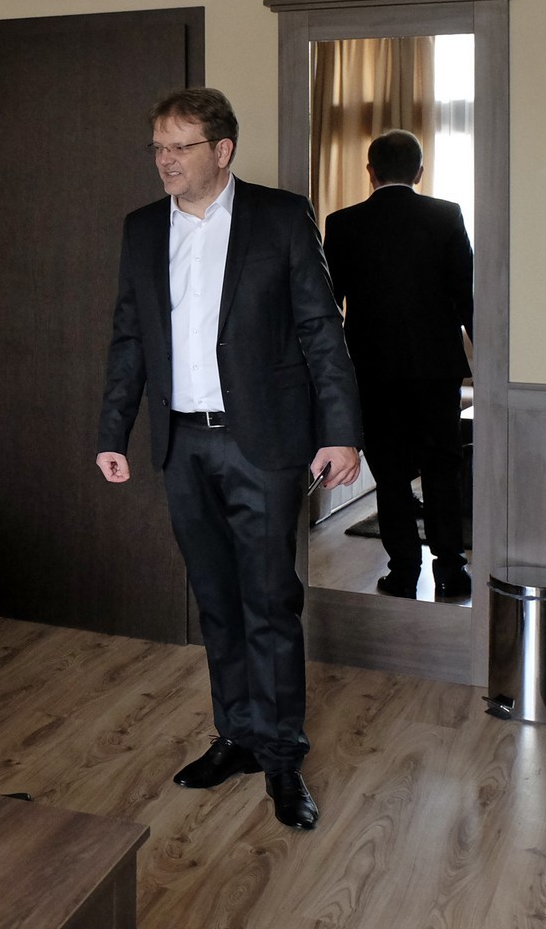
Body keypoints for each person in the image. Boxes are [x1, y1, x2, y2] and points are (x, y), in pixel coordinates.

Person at [95, 89, 362, 832]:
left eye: (180, 146)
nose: (165, 161)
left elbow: (321, 330)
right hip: (182, 444)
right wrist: (112, 433)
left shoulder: (280, 218)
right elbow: (129, 338)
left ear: (222, 150)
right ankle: (237, 735)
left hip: (265, 444)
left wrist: (341, 432)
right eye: (158, 146)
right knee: (215, 599)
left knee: (269, 600)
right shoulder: (141, 229)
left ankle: (281, 756)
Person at [323, 130, 475, 601]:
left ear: (370, 171)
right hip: (436, 368)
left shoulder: (343, 223)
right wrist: (488, 360)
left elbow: (328, 305)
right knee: (442, 468)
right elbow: (466, 296)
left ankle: (403, 571)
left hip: (372, 370)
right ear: (419, 172)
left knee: (389, 473)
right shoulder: (446, 215)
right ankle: (452, 571)